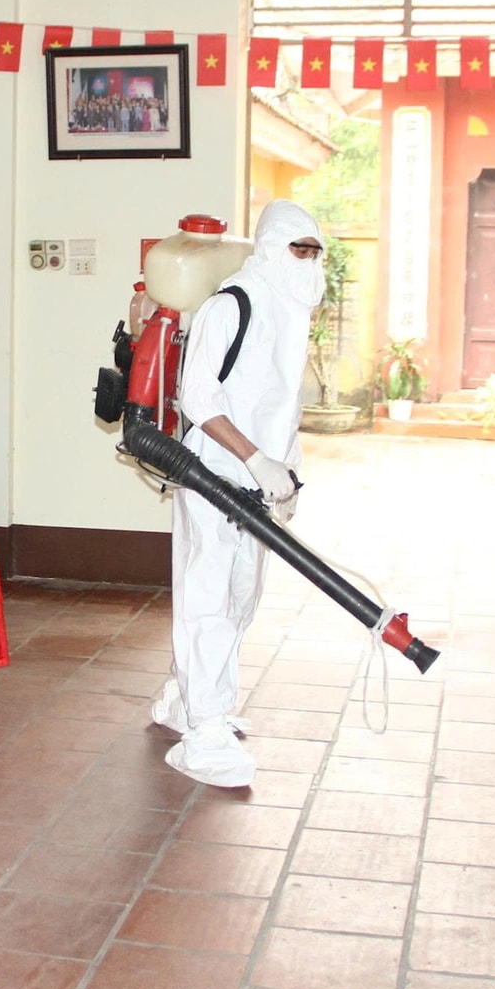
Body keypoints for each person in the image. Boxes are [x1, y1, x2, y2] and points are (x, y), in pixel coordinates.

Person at [152, 199, 327, 787]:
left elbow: (281, 406)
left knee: (241, 596)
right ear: (271, 248)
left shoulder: (290, 312)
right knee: (207, 596)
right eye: (297, 250)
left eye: (315, 253)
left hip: (260, 483)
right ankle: (203, 730)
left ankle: (187, 697)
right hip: (214, 476)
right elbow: (198, 398)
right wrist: (254, 459)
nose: (307, 263)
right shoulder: (233, 305)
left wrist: (288, 473)